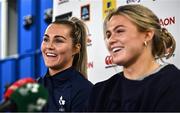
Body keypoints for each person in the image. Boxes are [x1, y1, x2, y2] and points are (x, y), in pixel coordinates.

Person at [86, 4, 180, 112]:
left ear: (147, 35)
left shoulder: (173, 83)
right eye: (108, 35)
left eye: (120, 31)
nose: (111, 40)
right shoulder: (99, 92)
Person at [38, 17, 93, 112]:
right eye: (46, 39)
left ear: (76, 49)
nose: (49, 46)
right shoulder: (36, 86)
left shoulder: (84, 90)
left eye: (58, 41)